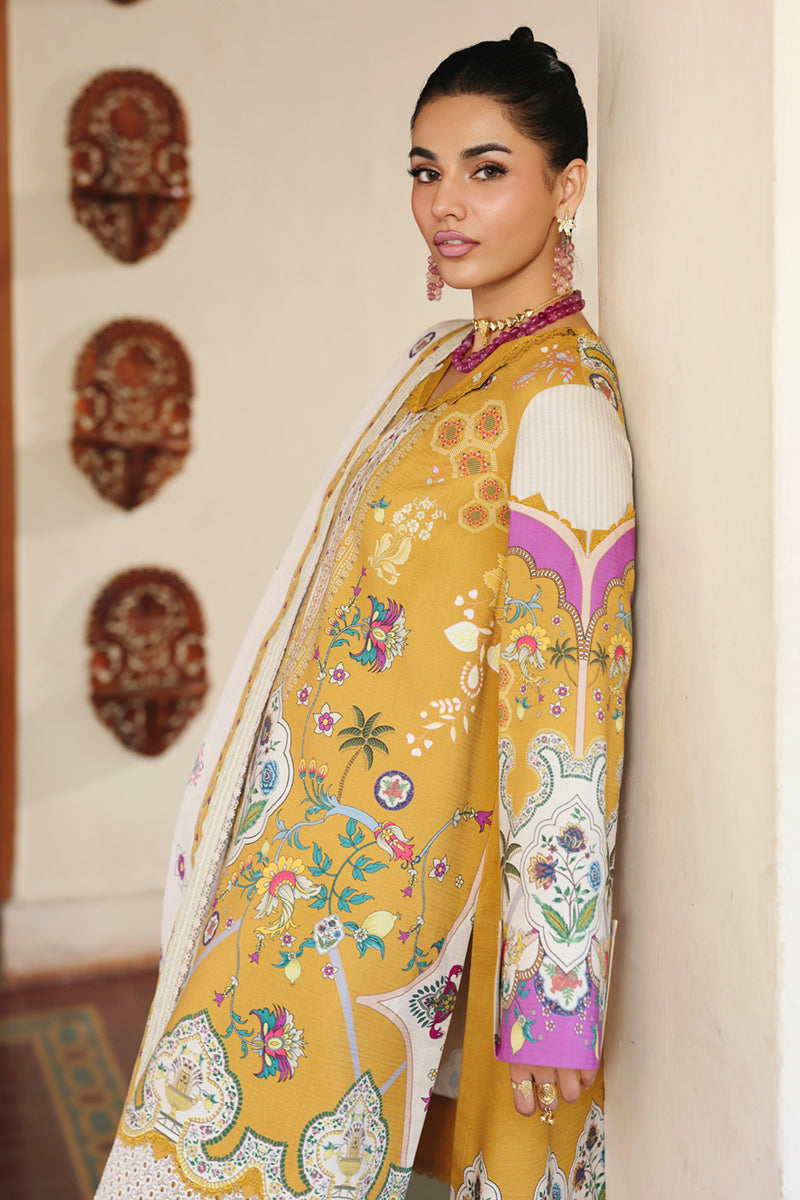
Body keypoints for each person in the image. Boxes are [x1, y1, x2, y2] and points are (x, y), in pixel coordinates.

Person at [96, 27, 634, 1200]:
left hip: (383, 900)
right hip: (297, 870)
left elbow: (569, 703)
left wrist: (552, 994)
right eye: (424, 170)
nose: (444, 203)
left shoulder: (558, 408)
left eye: (486, 169)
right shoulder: (438, 367)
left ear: (567, 186)